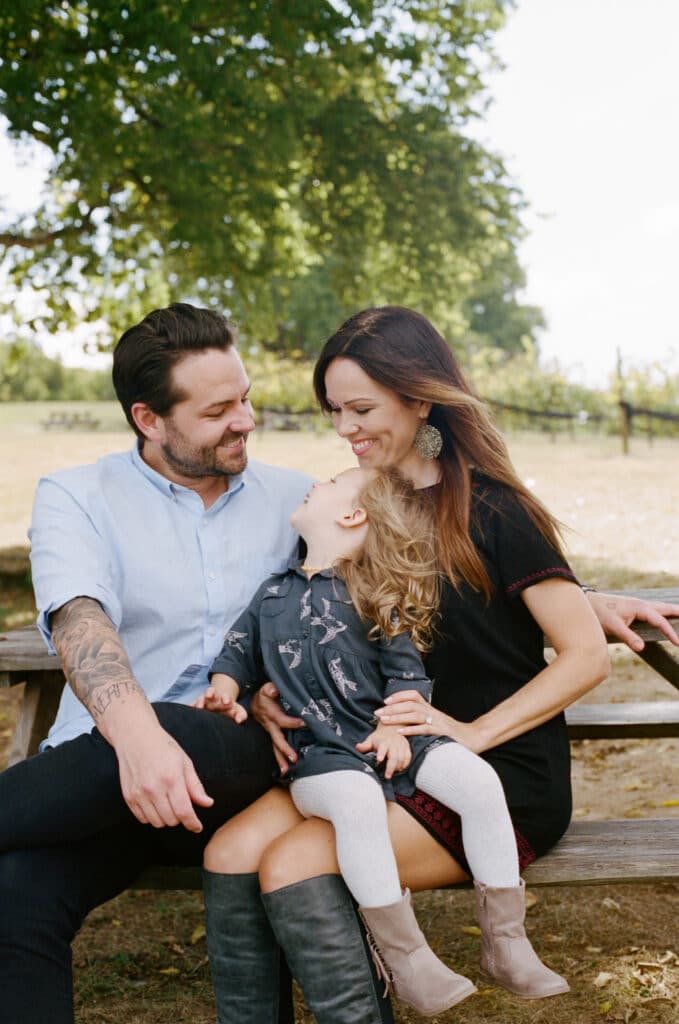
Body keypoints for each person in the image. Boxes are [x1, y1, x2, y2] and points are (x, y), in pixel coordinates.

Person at [202, 305, 679, 1024]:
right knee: (232, 851)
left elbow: (584, 658)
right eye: (334, 410)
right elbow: (306, 616)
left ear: (419, 397)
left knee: (295, 860)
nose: (344, 429)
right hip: (364, 753)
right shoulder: (353, 503)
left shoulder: (494, 509)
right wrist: (268, 688)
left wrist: (472, 733)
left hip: (485, 777)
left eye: (361, 408)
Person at [0, 303, 325, 1024]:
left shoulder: (298, 497)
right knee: (14, 894)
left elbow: (412, 562)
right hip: (110, 778)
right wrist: (140, 740)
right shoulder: (77, 496)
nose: (245, 420)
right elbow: (80, 618)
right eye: (218, 411)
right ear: (149, 419)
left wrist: (567, 596)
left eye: (244, 398)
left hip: (246, 761)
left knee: (190, 724)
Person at [200, 463, 580, 1017]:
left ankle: (506, 942)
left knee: (478, 780)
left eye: (331, 482)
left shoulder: (378, 594)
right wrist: (228, 688)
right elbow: (237, 650)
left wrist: (394, 725)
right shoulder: (273, 594)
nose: (317, 481)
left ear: (352, 514)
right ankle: (409, 959)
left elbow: (407, 672)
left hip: (395, 743)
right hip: (326, 756)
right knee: (354, 802)